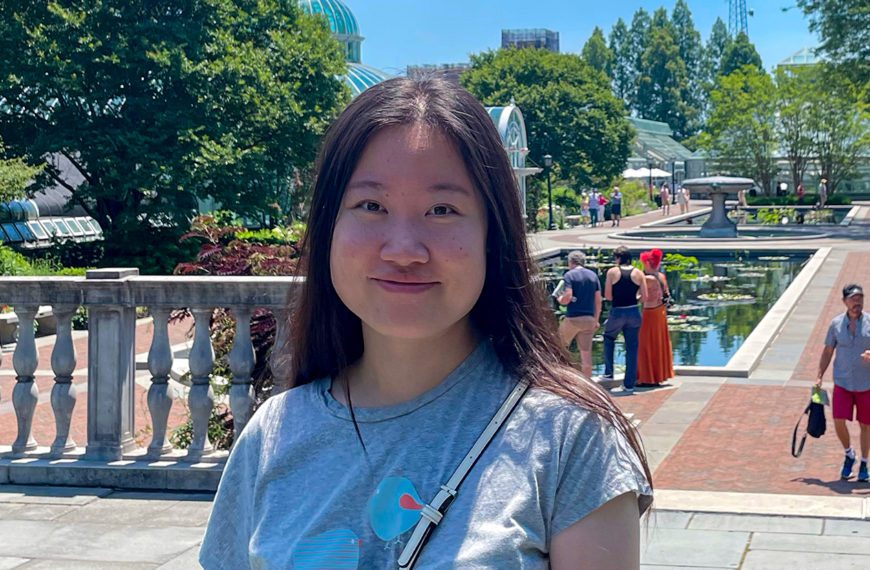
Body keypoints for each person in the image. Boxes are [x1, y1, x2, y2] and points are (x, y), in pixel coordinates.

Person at [200, 77, 652, 569]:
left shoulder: (570, 437)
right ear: (329, 226)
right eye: (371, 206)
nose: (403, 250)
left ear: (492, 235)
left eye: (442, 209)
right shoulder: (274, 433)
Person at [815, 284, 870, 483]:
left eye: (860, 298)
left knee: (866, 425)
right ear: (845, 301)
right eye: (854, 299)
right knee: (839, 420)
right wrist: (819, 375)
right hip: (843, 382)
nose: (858, 302)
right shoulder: (836, 324)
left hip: (866, 385)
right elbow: (828, 351)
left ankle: (864, 463)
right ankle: (849, 453)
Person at [600, 246, 649, 396]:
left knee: (608, 338)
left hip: (618, 311)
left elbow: (608, 296)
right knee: (632, 347)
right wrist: (635, 298)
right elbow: (645, 297)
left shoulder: (612, 272)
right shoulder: (639, 273)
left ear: (618, 258)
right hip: (634, 311)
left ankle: (609, 372)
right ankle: (629, 385)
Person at [556, 251, 602, 377]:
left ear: (571, 262)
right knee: (586, 355)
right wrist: (596, 320)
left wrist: (560, 299)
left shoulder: (569, 275)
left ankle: (562, 380)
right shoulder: (593, 276)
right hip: (589, 320)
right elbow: (598, 301)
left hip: (573, 319)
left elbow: (567, 297)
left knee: (559, 348)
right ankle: (589, 385)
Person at [637, 249, 674, 387]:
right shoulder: (661, 276)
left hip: (649, 313)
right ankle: (658, 374)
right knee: (658, 343)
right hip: (660, 312)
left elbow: (641, 297)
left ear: (647, 263)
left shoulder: (647, 279)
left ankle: (647, 377)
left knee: (646, 344)